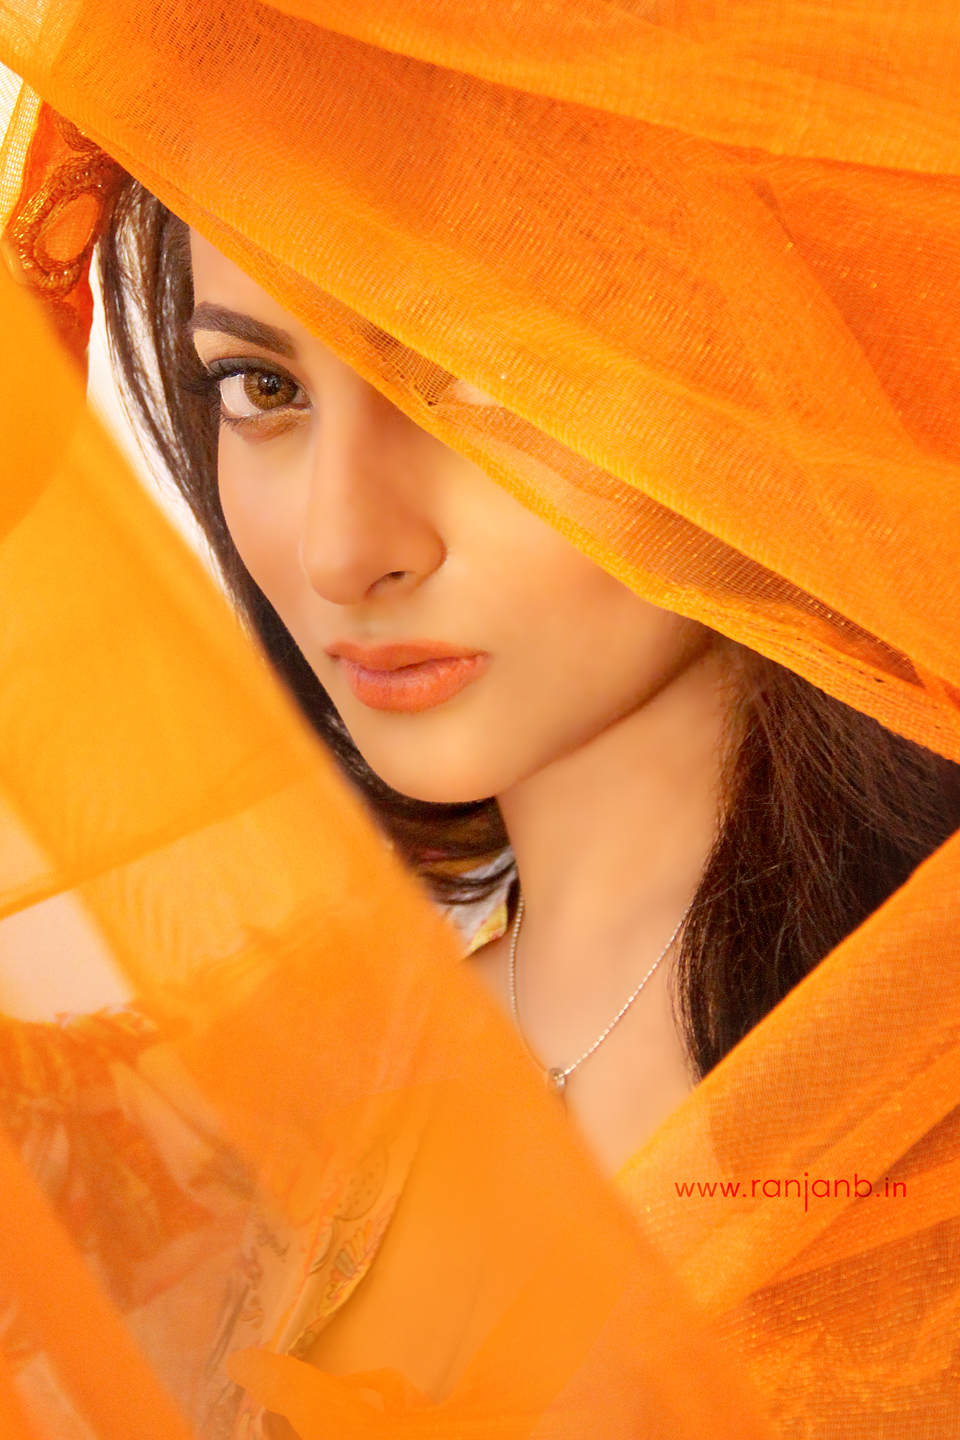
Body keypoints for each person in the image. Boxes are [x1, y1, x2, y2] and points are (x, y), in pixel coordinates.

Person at [2, 2, 960, 1436]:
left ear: (770, 381)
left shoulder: (908, 1144)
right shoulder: (221, 1122)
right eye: (260, 386)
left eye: (480, 385)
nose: (342, 548)